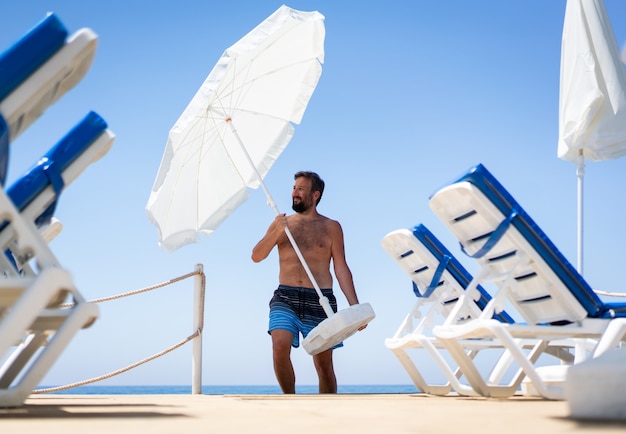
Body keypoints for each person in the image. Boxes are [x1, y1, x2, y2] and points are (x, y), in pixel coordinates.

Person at [251, 171, 365, 394]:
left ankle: (329, 411)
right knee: (279, 347)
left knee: (324, 365)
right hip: (285, 297)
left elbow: (341, 268)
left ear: (315, 195)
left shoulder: (332, 227)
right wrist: (276, 231)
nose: (295, 193)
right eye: (294, 188)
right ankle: (290, 400)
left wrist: (355, 306)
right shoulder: (281, 223)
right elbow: (256, 256)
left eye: (301, 189)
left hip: (320, 299)